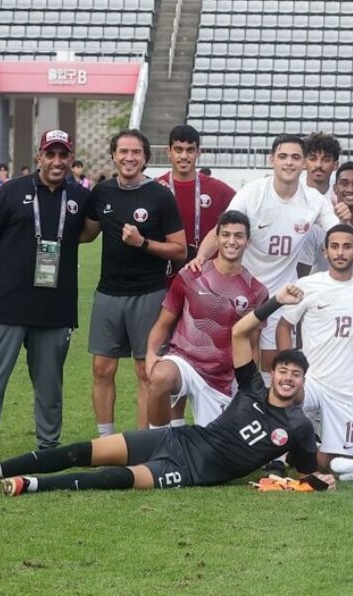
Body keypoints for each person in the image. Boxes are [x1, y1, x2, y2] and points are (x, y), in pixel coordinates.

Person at [0, 284, 324, 495]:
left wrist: (321, 479)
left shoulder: (299, 426)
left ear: (302, 382)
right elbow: (238, 333)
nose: (287, 377)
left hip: (192, 473)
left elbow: (306, 469)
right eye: (282, 370)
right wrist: (276, 301)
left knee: (113, 480)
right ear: (272, 373)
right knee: (85, 451)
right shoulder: (250, 388)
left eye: (295, 374)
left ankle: (30, 485)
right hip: (175, 440)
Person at [0, 131, 91, 467]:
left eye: (63, 155)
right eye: (50, 154)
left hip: (54, 309)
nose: (57, 161)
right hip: (4, 305)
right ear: (38, 157)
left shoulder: (79, 196)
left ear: (70, 158)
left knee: (50, 386)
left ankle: (48, 449)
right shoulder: (11, 191)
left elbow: (90, 231)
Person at [191, 134, 339, 379]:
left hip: (281, 295)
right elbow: (222, 229)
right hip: (242, 289)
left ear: (304, 164)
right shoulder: (252, 194)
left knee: (272, 363)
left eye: (295, 157)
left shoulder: (314, 201)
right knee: (235, 357)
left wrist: (340, 226)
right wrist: (201, 257)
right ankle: (234, 411)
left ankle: (269, 416)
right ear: (272, 160)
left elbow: (337, 233)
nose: (289, 163)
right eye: (282, 156)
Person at [81, 129, 187, 435]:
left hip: (149, 294)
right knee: (102, 369)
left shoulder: (159, 195)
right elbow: (86, 233)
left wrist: (142, 243)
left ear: (145, 158)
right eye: (123, 152)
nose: (129, 158)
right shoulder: (101, 193)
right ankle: (106, 440)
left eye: (136, 152)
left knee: (146, 370)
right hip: (108, 293)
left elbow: (179, 249)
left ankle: (142, 442)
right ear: (113, 155)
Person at [277, 223, 353, 467]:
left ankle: (302, 454)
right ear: (325, 251)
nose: (340, 252)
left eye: (347, 247)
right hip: (311, 381)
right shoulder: (309, 285)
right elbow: (284, 326)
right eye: (335, 247)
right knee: (282, 396)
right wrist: (288, 368)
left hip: (345, 389)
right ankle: (276, 456)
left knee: (334, 463)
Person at [144, 210, 268, 428]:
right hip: (184, 362)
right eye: (226, 234)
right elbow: (163, 323)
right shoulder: (191, 275)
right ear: (217, 238)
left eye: (238, 236)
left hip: (221, 378)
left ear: (248, 242)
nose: (231, 241)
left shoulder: (256, 291)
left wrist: (248, 387)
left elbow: (253, 345)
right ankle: (161, 445)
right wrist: (151, 353)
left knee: (217, 457)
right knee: (160, 377)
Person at [157, 125, 236, 269]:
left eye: (190, 150)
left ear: (198, 152)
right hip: (164, 273)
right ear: (169, 151)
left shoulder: (217, 189)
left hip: (206, 273)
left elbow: (245, 212)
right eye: (178, 150)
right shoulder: (156, 188)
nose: (184, 156)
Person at [299, 161, 353, 276]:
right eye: (344, 184)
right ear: (335, 189)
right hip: (319, 292)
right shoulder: (316, 223)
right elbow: (301, 275)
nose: (350, 189)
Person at [302, 132, 340, 199]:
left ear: (335, 165)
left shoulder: (341, 196)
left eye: (326, 160)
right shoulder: (292, 191)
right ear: (304, 163)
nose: (318, 165)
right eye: (313, 159)